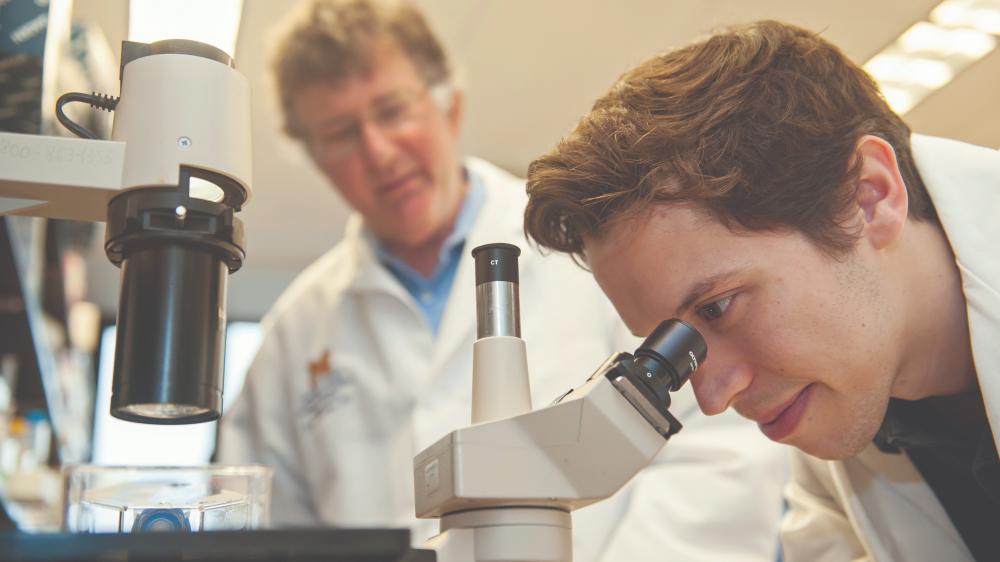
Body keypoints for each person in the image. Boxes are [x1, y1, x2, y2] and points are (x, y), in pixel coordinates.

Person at [219, 1, 788, 560]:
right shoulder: (294, 336)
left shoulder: (598, 252)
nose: (379, 152)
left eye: (392, 110)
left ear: (450, 106)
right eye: (342, 133)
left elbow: (719, 443)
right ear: (315, 157)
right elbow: (265, 524)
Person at [523, 19, 1000, 562]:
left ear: (868, 196)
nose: (713, 396)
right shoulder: (841, 449)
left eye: (718, 308)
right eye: (682, 352)